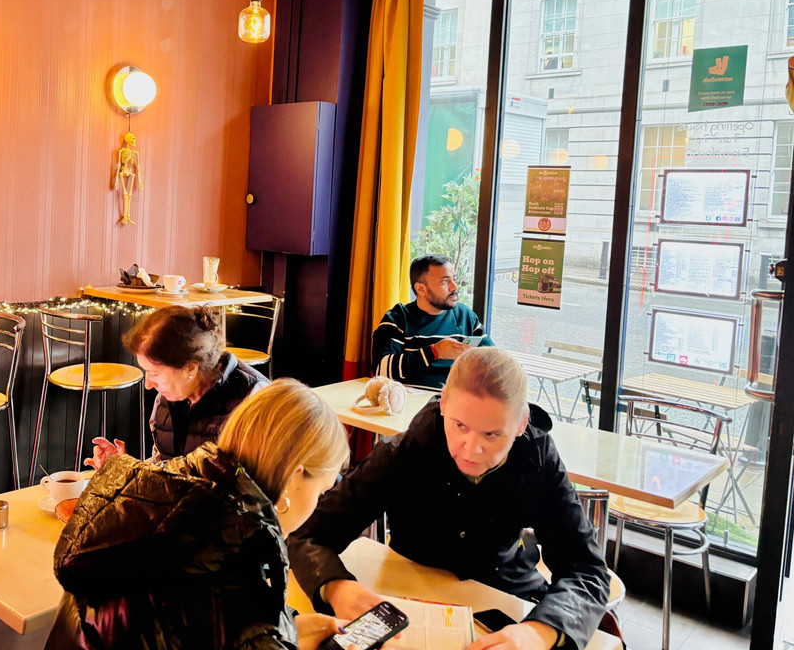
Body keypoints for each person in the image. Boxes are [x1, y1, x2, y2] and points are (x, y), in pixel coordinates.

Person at [289, 348, 609, 650]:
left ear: (521, 424)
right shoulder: (408, 450)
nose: (472, 448)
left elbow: (586, 569)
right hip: (409, 587)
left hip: (506, 591)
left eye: (492, 434)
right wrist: (337, 587)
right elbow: (307, 532)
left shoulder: (537, 457)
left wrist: (539, 632)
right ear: (443, 404)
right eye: (460, 426)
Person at [45, 379, 353, 650]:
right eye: (321, 491)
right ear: (295, 476)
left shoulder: (167, 499)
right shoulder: (232, 565)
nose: (317, 504)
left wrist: (285, 630)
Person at [85, 305, 269, 468]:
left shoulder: (254, 402)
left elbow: (260, 487)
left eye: (155, 374)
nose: (148, 385)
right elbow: (163, 468)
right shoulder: (165, 400)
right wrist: (124, 469)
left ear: (190, 367)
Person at [371, 254, 493, 389]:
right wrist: (435, 352)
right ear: (421, 289)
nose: (454, 287)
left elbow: (494, 359)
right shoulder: (398, 319)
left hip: (456, 399)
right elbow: (381, 371)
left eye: (454, 279)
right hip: (412, 400)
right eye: (444, 281)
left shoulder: (465, 316)